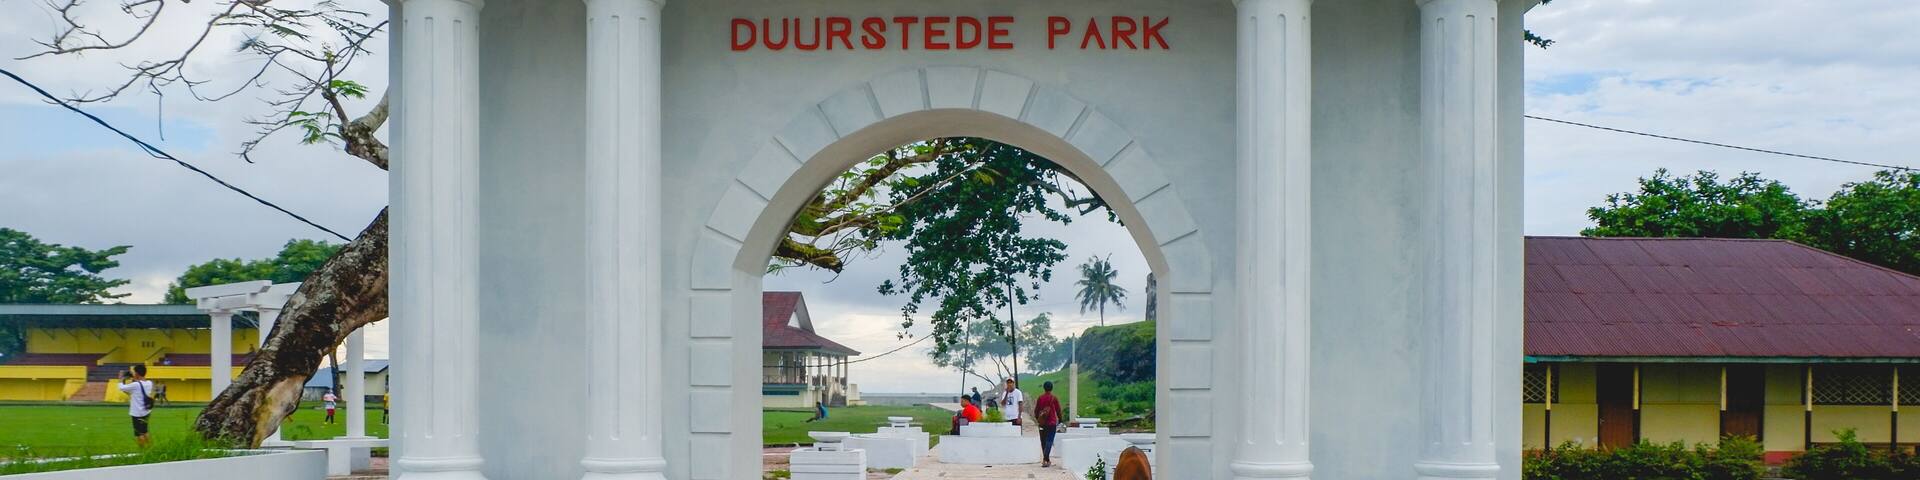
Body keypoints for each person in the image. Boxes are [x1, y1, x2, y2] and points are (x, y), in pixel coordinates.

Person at [116, 364, 155, 448]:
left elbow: (122, 387)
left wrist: (121, 378)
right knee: (145, 431)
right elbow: (137, 389)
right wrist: (133, 379)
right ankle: (151, 448)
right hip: (146, 411)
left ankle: (143, 451)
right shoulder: (149, 383)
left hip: (137, 412)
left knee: (138, 434)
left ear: (137, 373)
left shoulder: (136, 385)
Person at [1034, 380, 1064, 467]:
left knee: (1043, 441)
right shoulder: (1054, 398)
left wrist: (1038, 419)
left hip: (1042, 424)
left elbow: (1036, 410)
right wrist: (1061, 420)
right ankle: (1045, 459)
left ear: (1044, 388)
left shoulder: (1040, 398)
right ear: (1052, 388)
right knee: (1049, 441)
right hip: (1052, 423)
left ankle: (1046, 460)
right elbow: (1058, 410)